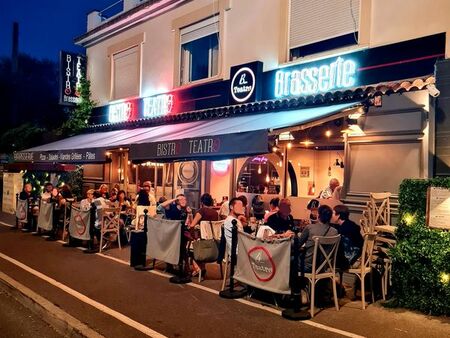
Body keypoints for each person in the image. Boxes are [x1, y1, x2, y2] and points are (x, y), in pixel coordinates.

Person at [298, 205, 339, 273]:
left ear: (318, 215)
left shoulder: (309, 228)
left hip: (307, 266)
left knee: (289, 259)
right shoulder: (335, 231)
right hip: (324, 267)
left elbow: (298, 244)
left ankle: (297, 283)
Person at [189, 193, 219, 277]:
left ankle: (198, 268)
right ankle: (202, 268)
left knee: (188, 248)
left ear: (202, 202)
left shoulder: (202, 211)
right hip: (211, 240)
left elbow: (192, 225)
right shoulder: (215, 213)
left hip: (202, 240)